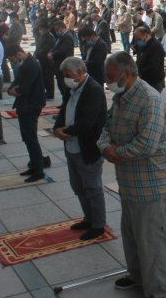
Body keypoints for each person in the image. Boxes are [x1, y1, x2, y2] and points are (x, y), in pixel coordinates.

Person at [97, 52, 166, 297]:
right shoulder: (121, 96)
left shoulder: (150, 99)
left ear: (128, 73)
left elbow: (147, 145)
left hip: (153, 185)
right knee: (132, 236)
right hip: (130, 183)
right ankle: (137, 276)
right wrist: (106, 147)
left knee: (153, 244)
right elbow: (106, 128)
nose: (107, 82)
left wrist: (115, 152)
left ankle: (158, 292)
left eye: (111, 77)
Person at [55, 56, 109, 240]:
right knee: (77, 185)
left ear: (79, 72)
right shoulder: (72, 87)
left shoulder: (93, 89)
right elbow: (64, 109)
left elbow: (88, 121)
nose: (65, 78)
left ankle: (98, 225)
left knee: (92, 187)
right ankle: (89, 218)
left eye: (68, 74)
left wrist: (67, 130)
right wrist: (58, 127)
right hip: (71, 145)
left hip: (87, 147)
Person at [7, 44, 47, 182]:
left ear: (18, 54)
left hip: (31, 105)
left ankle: (39, 170)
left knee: (31, 139)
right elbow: (16, 82)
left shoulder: (31, 65)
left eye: (12, 59)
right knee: (27, 137)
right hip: (26, 105)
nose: (13, 63)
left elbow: (24, 88)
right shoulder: (26, 64)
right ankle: (34, 165)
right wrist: (11, 89)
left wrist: (14, 91)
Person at [133, 25, 166, 92]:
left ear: (146, 35)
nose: (137, 41)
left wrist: (139, 71)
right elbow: (140, 59)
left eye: (139, 39)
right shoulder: (143, 44)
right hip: (144, 79)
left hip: (154, 81)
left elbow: (153, 66)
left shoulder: (155, 46)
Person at [49, 20, 75, 104]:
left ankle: (66, 104)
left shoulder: (67, 37)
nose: (56, 32)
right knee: (61, 86)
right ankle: (64, 103)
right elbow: (55, 47)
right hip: (59, 65)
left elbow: (62, 50)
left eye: (57, 29)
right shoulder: (61, 37)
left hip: (63, 64)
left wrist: (52, 55)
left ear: (62, 28)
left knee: (64, 87)